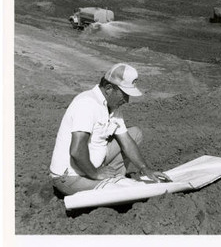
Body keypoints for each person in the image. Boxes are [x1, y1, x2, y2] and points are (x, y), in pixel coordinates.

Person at [49, 63, 169, 195]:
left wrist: (145, 168)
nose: (127, 100)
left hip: (92, 165)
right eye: (124, 94)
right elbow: (77, 150)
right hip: (70, 176)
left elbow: (127, 141)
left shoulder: (112, 107)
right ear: (109, 88)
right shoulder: (87, 104)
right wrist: (94, 173)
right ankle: (108, 180)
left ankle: (113, 177)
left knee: (134, 134)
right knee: (127, 191)